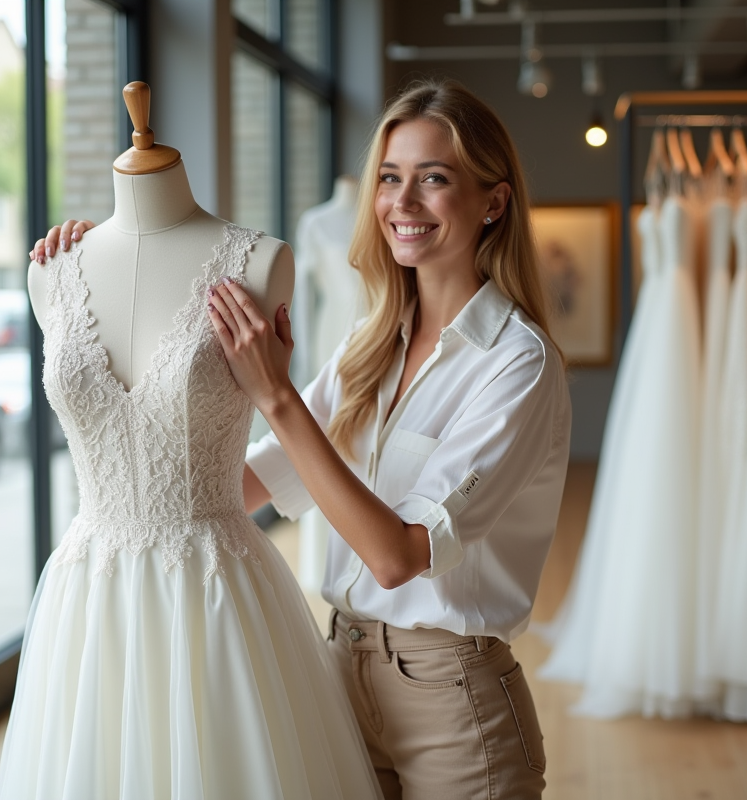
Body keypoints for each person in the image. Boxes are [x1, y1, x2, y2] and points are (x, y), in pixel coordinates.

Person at [33, 79, 571, 800]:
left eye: (433, 180)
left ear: (494, 202)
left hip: (455, 701)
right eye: (389, 178)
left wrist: (276, 395)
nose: (401, 204)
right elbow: (251, 481)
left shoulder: (519, 364)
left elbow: (396, 555)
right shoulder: (371, 343)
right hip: (338, 678)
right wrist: (140, 562)